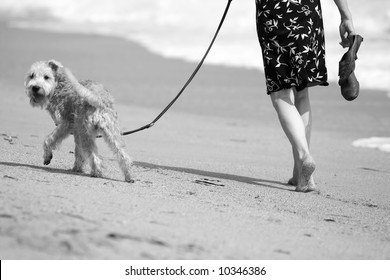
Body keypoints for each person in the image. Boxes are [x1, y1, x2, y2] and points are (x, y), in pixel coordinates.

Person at [255, 0, 355, 192]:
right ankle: (300, 174)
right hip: (307, 13)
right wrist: (346, 16)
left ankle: (304, 157)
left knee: (280, 94)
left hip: (275, 14)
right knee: (302, 92)